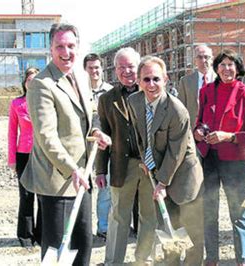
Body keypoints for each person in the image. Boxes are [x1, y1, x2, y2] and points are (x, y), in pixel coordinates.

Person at [20, 23, 111, 266]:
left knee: (83, 243)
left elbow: (90, 114)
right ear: (51, 49)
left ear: (78, 47)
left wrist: (97, 131)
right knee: (57, 251)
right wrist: (72, 168)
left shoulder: (80, 77)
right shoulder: (42, 85)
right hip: (57, 181)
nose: (66, 51)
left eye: (71, 46)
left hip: (81, 176)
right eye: (60, 46)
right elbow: (46, 137)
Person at [128, 55, 204, 266]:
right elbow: (139, 135)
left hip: (183, 174)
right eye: (146, 79)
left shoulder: (177, 110)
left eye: (156, 79)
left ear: (165, 79)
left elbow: (176, 151)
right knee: (167, 226)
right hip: (158, 169)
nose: (151, 85)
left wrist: (162, 182)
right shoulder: (134, 101)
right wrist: (145, 160)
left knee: (190, 231)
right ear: (138, 80)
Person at [194, 49, 245, 266]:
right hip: (209, 160)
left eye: (231, 64)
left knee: (238, 212)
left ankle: (243, 260)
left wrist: (229, 137)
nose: (226, 69)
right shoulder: (205, 91)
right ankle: (211, 258)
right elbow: (198, 122)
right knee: (209, 211)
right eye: (222, 65)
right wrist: (198, 132)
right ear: (216, 68)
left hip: (234, 160)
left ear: (238, 68)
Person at [95, 47, 157, 265]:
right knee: (119, 217)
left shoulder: (152, 92)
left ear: (139, 67)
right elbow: (103, 134)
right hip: (122, 165)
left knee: (149, 216)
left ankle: (144, 259)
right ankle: (113, 261)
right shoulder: (107, 99)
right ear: (115, 70)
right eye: (121, 67)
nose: (126, 71)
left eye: (131, 66)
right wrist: (101, 170)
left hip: (150, 166)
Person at [8, 67, 41, 248]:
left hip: (44, 154)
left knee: (44, 196)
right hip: (24, 154)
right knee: (26, 196)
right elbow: (12, 133)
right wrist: (11, 159)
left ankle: (42, 234)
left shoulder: (46, 101)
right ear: (24, 83)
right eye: (29, 80)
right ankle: (26, 236)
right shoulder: (16, 104)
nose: (32, 83)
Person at [83, 53, 113, 241]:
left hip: (104, 148)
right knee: (84, 189)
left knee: (105, 188)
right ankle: (83, 230)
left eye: (97, 67)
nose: (94, 71)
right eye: (90, 68)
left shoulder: (110, 92)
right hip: (83, 148)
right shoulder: (78, 91)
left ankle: (103, 226)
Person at [178, 44, 216, 128]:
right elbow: (180, 108)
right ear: (195, 60)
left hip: (216, 129)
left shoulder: (221, 80)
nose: (203, 60)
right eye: (200, 57)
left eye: (206, 57)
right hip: (193, 130)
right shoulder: (185, 82)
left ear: (212, 59)